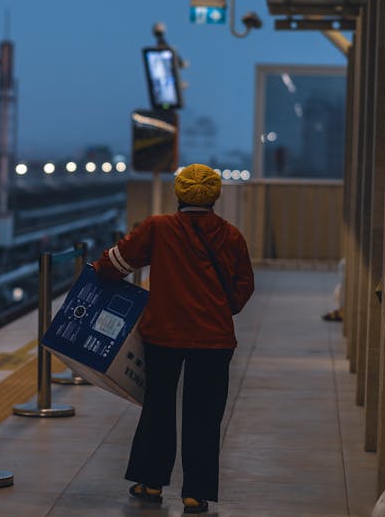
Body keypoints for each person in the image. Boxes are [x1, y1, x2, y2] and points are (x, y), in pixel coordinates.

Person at [92, 163, 254, 514]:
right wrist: (223, 311)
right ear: (215, 196)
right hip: (214, 340)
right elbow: (243, 286)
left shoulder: (158, 228)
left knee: (158, 408)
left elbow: (115, 264)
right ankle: (196, 493)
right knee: (204, 415)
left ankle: (150, 482)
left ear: (178, 193)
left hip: (163, 335)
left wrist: (101, 269)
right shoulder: (231, 235)